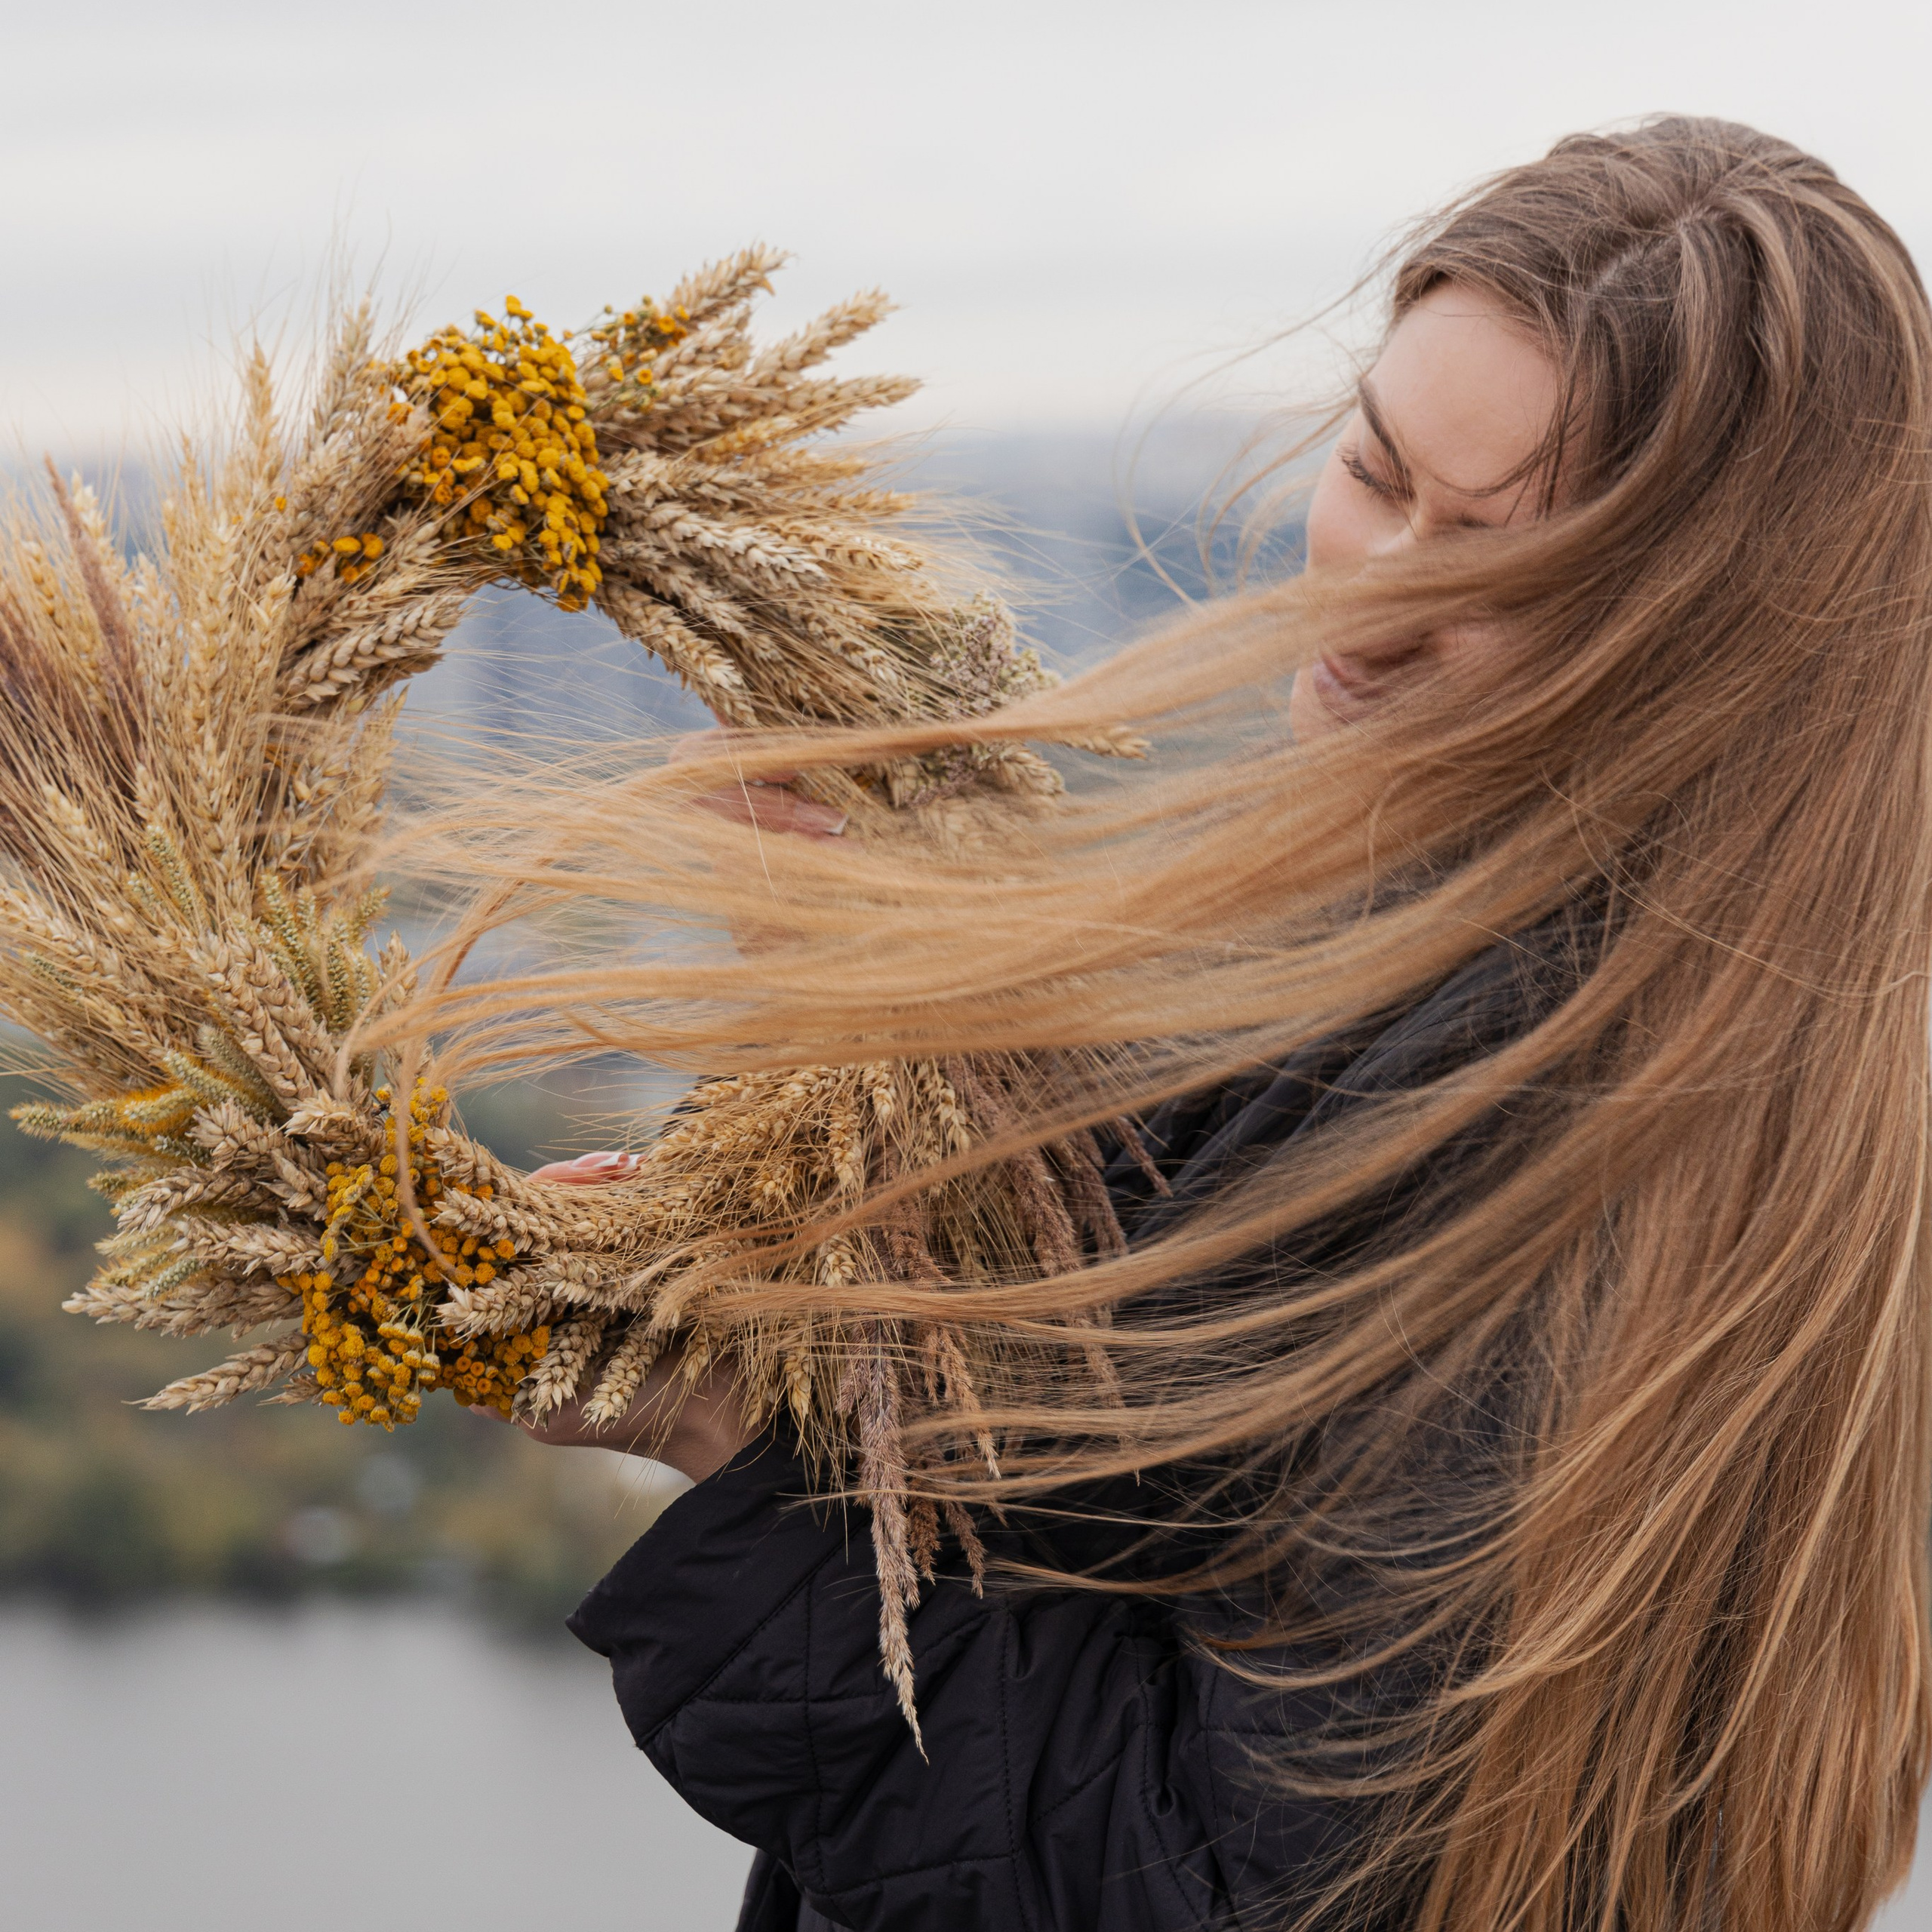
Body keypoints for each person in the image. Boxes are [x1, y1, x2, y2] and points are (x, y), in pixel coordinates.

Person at [475, 118, 1932, 1930]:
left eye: (1500, 571)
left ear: (1703, 645)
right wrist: (871, 1039)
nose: (1370, 599)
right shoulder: (1422, 909)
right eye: (1374, 469)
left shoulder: (1585, 1145)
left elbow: (1232, 1894)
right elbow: (1139, 1460)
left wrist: (739, 1437)